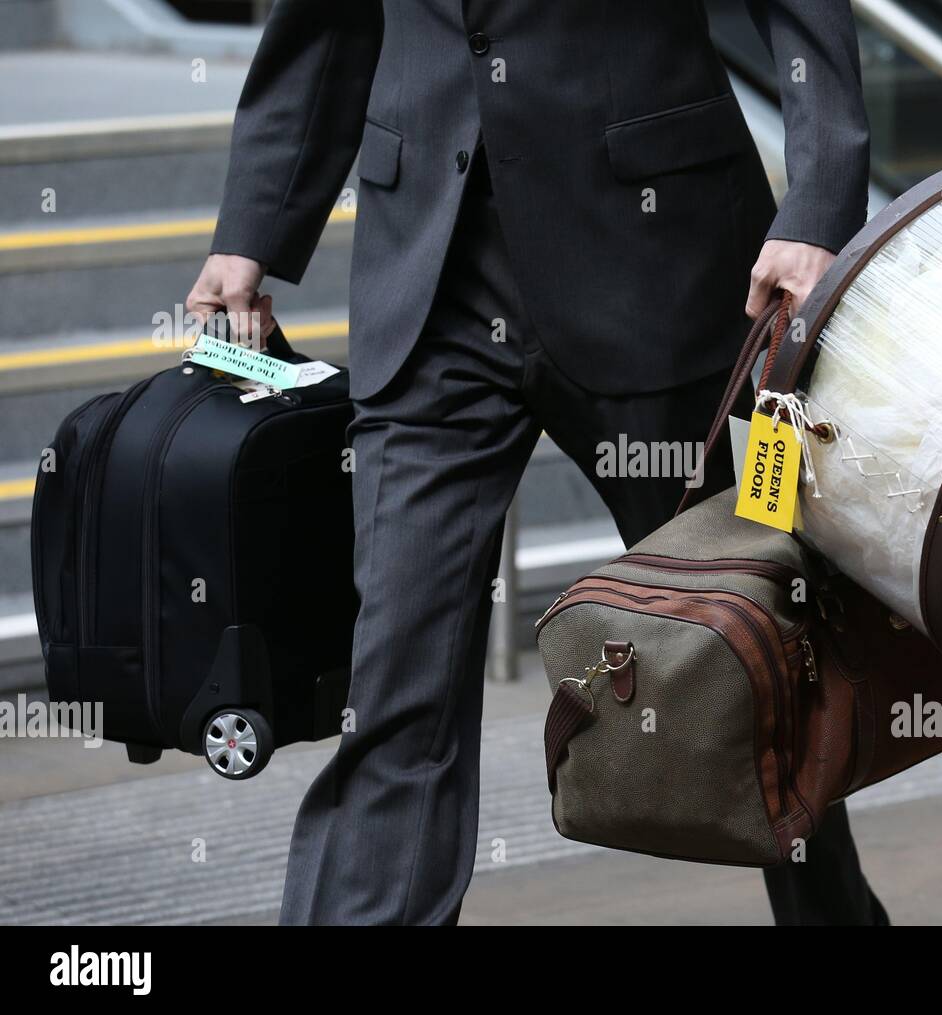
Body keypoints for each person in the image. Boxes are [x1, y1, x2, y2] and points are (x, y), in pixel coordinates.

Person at [187, 0, 886, 926]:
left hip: (657, 271)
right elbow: (326, 22)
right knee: (398, 689)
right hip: (429, 293)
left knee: (750, 662)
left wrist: (820, 201)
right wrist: (252, 229)